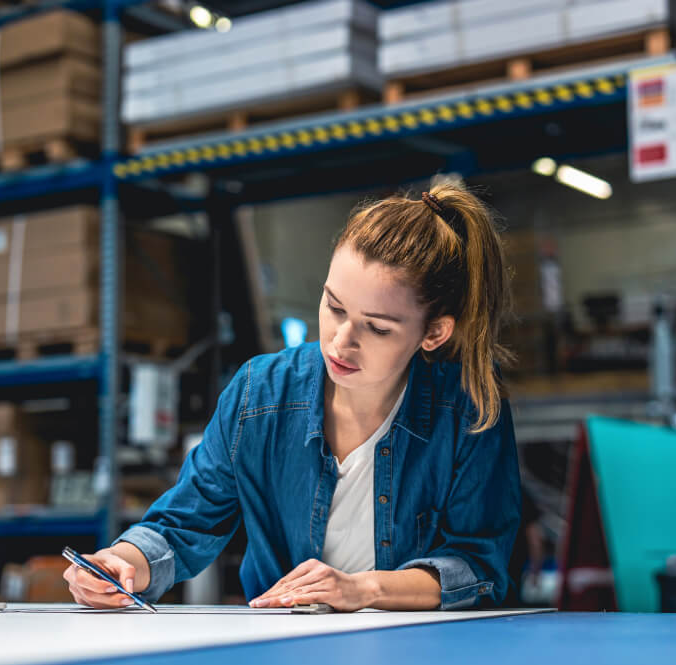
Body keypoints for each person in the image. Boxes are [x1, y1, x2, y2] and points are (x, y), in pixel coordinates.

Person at [65, 178, 521, 611]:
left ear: (434, 333)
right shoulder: (258, 393)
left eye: (377, 328)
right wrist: (123, 562)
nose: (341, 341)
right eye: (334, 307)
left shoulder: (469, 408)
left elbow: (478, 565)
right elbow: (184, 522)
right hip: (283, 648)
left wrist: (362, 588)